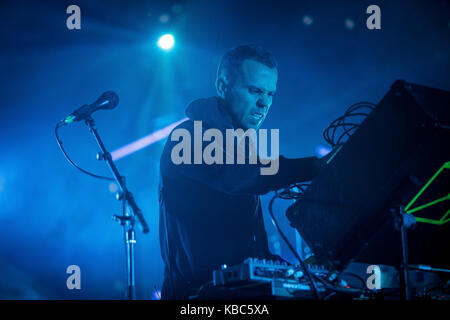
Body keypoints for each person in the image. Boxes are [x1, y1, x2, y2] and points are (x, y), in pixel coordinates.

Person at [159, 45, 332, 299]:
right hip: (195, 296)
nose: (264, 102)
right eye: (255, 91)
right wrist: (315, 166)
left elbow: (253, 254)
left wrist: (298, 271)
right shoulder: (188, 136)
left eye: (270, 94)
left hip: (239, 292)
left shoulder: (244, 149)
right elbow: (244, 177)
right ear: (222, 87)